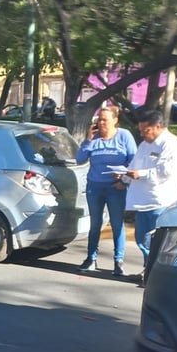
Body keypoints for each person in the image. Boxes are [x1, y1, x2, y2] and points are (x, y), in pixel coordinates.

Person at [125, 107, 177, 286]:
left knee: (157, 242)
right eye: (141, 130)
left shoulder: (172, 144)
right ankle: (147, 269)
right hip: (142, 201)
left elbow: (166, 171)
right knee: (142, 240)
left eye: (146, 130)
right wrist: (123, 177)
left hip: (160, 201)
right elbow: (134, 164)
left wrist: (141, 174)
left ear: (158, 126)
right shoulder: (144, 145)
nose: (142, 134)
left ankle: (156, 276)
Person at [76, 106, 137, 276]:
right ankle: (91, 258)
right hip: (95, 186)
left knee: (117, 223)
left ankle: (118, 261)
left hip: (116, 187)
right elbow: (80, 159)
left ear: (115, 121)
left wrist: (124, 178)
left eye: (105, 120)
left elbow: (134, 160)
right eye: (99, 119)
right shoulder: (94, 138)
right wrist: (88, 140)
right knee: (95, 223)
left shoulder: (124, 136)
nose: (101, 123)